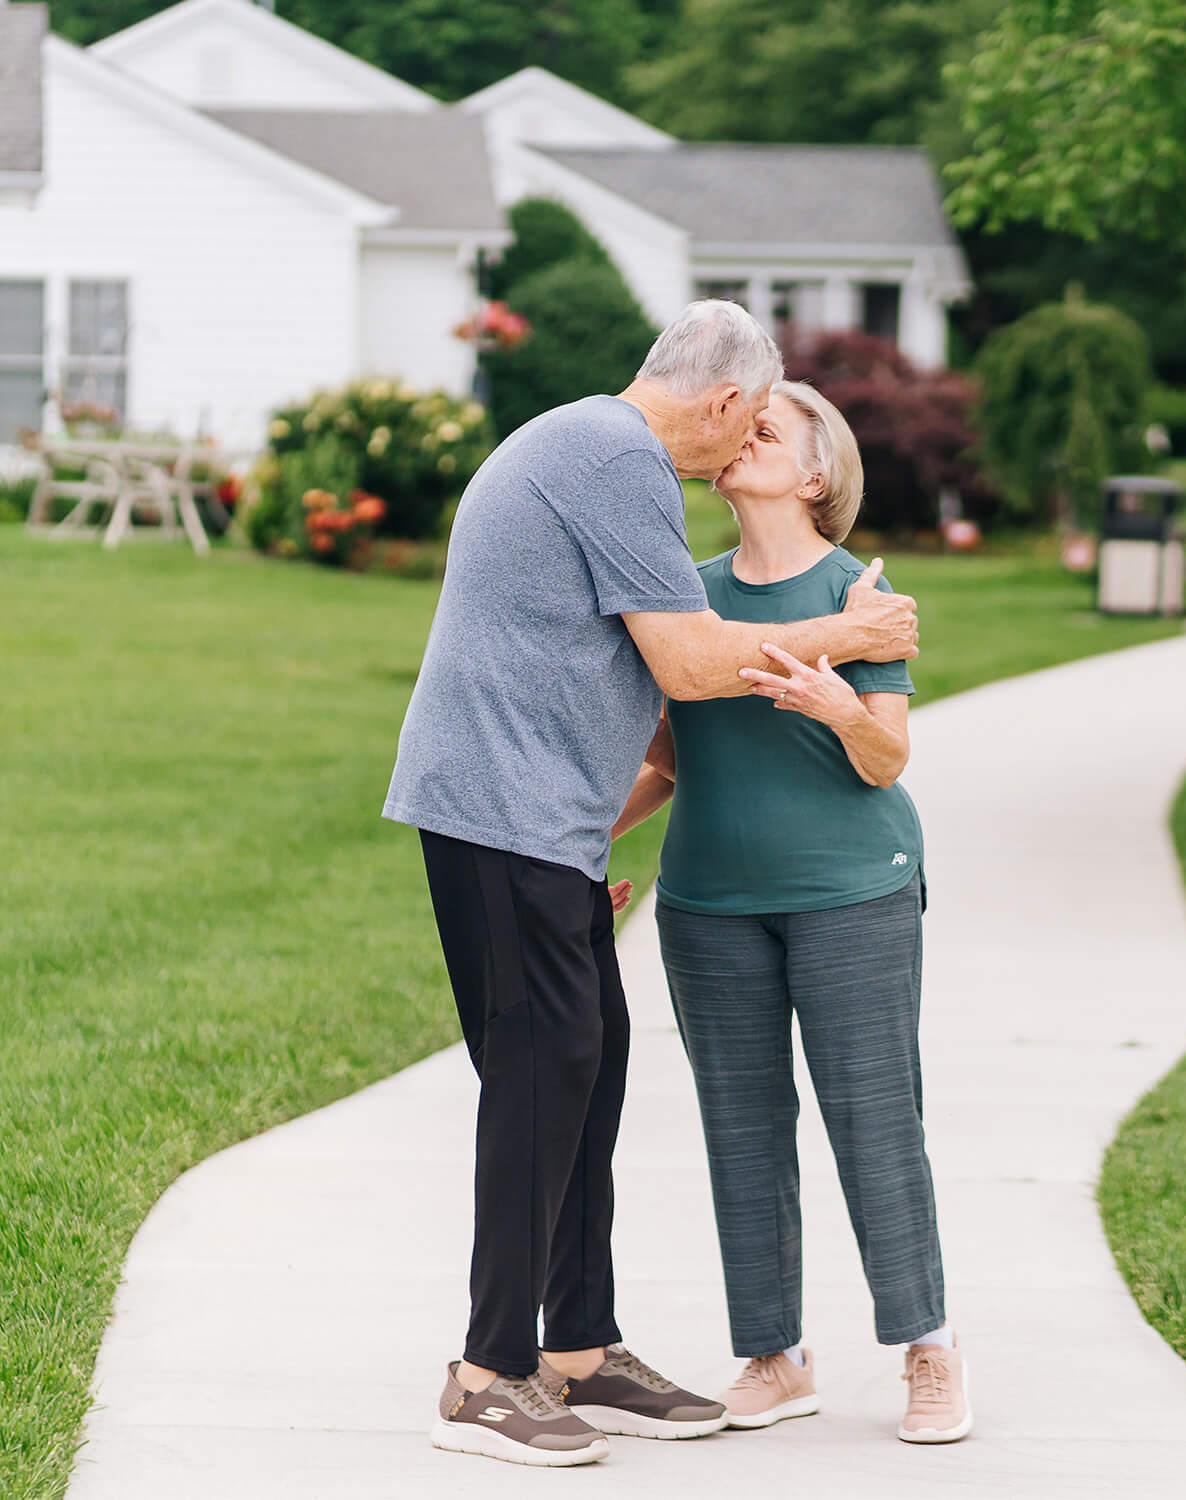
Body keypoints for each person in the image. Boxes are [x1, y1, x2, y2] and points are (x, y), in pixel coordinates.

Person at [383, 303, 920, 1469]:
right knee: (543, 1071)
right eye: (750, 423)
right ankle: (485, 1376)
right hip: (498, 810)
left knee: (588, 1061)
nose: (744, 450)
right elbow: (685, 663)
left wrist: (590, 841)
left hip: (541, 824)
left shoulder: (596, 447)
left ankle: (577, 1348)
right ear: (724, 401)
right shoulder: (617, 456)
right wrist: (854, 628)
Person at [608, 380, 972, 1445]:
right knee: (741, 1130)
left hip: (851, 892)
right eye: (738, 427)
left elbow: (886, 757)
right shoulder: (686, 595)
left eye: (767, 429)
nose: (741, 438)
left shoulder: (864, 595)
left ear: (816, 472)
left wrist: (835, 698)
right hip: (711, 905)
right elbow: (667, 761)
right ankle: (771, 1357)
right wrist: (571, 847)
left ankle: (927, 1348)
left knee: (872, 1120)